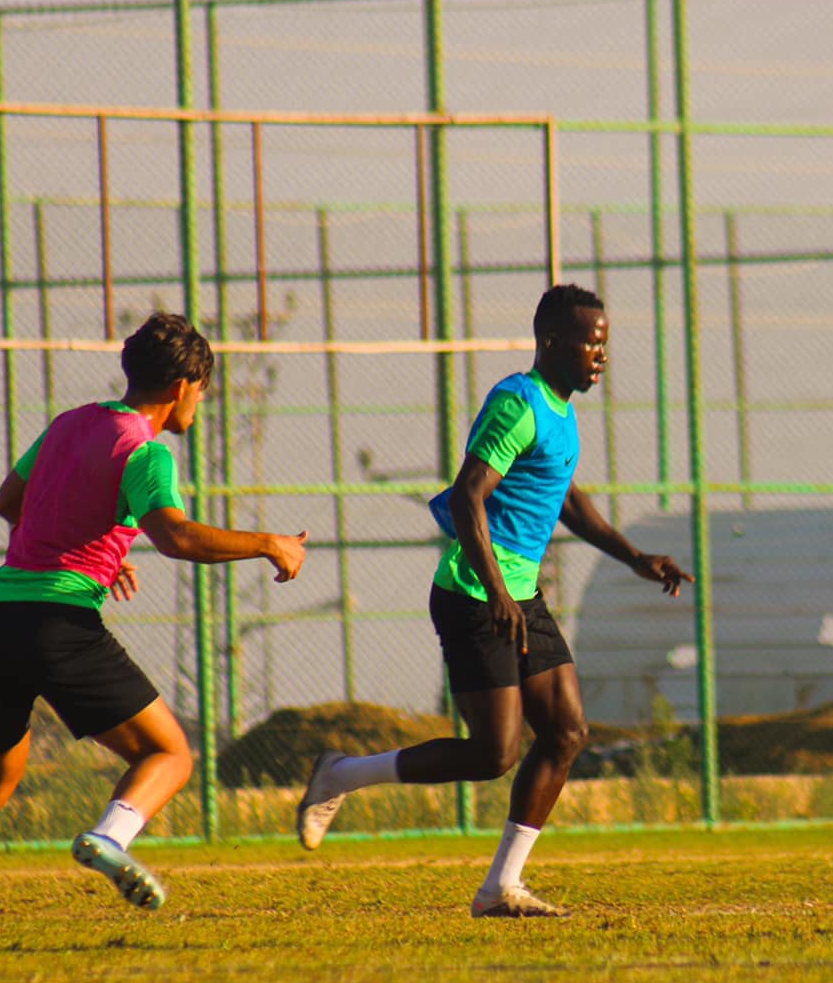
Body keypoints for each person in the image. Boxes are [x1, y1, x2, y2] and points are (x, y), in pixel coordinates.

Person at [0, 312, 308, 938]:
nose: (200, 405)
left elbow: (8, 503)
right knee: (170, 752)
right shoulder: (147, 451)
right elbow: (177, 536)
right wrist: (269, 543)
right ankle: (109, 837)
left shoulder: (69, 424)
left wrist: (98, 547)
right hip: (58, 622)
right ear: (186, 385)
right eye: (204, 392)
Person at [292, 283, 692, 917]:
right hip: (476, 595)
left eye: (605, 343)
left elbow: (563, 498)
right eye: (592, 342)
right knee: (493, 754)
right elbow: (466, 496)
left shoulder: (561, 413)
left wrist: (632, 555)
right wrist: (500, 592)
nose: (601, 355)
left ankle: (500, 886)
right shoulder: (517, 402)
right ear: (553, 342)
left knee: (566, 732)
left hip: (517, 595)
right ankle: (340, 774)